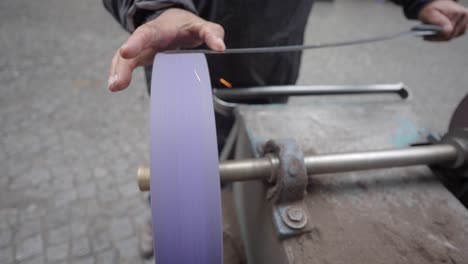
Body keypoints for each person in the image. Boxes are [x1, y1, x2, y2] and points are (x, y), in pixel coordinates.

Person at [103, 0, 468, 260]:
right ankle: (163, 214)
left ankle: (232, 208)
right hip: (187, 52)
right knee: (182, 164)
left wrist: (420, 2)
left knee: (249, 146)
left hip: (274, 65)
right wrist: (159, 8)